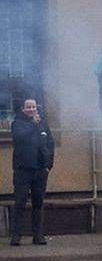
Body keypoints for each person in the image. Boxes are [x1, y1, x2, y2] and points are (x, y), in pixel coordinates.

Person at [10, 98, 55, 246]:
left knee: (38, 203)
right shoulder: (17, 123)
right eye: (28, 107)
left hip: (40, 170)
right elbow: (19, 137)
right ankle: (16, 236)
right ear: (23, 109)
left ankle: (38, 236)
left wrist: (49, 164)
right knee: (20, 202)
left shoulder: (43, 124)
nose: (31, 109)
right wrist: (34, 126)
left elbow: (50, 143)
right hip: (23, 169)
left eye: (33, 107)